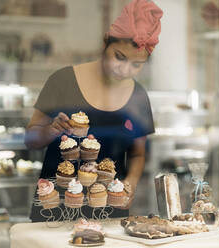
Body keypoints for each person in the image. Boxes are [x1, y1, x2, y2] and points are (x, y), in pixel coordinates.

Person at [25, 0, 163, 222]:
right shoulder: (62, 80)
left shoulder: (138, 96)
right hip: (55, 206)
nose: (125, 69)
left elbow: (138, 154)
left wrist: (132, 183)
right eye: (119, 56)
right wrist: (51, 130)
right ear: (105, 43)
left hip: (110, 210)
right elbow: (30, 140)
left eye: (136, 64)